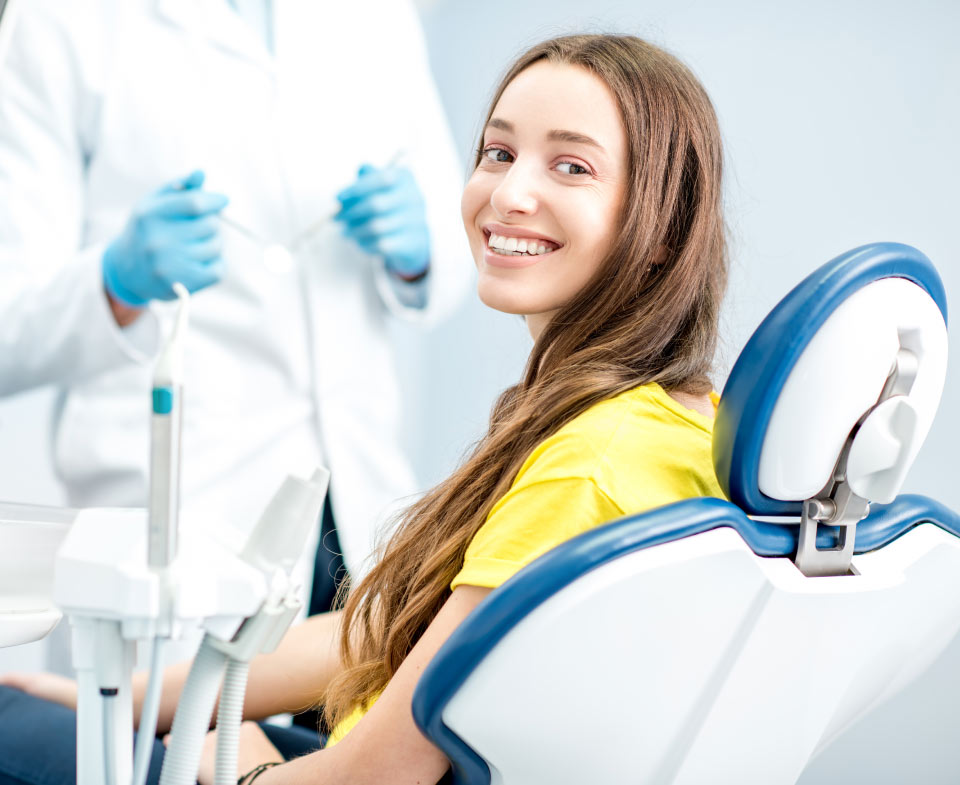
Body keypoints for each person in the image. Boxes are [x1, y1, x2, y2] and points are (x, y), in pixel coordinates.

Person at [0, 33, 728, 784]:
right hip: (214, 521)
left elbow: (376, 774)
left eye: (570, 166)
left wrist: (239, 769)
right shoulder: (664, 417)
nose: (508, 193)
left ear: (663, 229)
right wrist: (132, 700)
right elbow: (386, 629)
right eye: (497, 153)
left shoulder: (589, 463)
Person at [0, 0, 470, 647]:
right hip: (179, 518)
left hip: (357, 506)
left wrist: (421, 253)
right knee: (178, 741)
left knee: (345, 731)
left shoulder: (380, 15)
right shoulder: (61, 21)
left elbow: (457, 253)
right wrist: (114, 281)